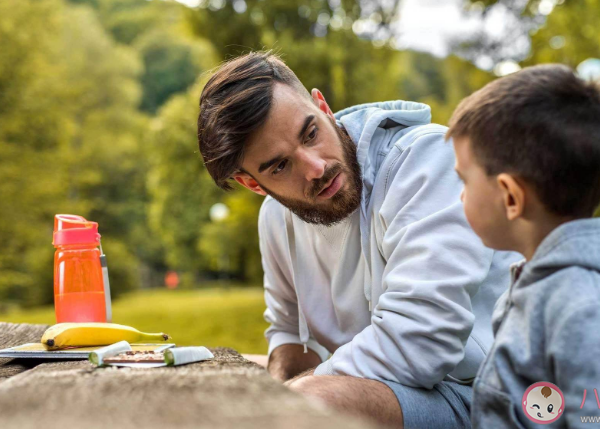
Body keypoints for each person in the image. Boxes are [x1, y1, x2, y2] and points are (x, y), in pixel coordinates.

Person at [197, 51, 519, 429]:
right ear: (254, 184)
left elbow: (422, 342)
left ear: (324, 107)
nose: (316, 167)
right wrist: (284, 379)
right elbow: (288, 332)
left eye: (311, 133)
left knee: (309, 402)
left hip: (497, 397)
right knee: (221, 376)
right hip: (400, 391)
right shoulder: (275, 219)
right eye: (281, 166)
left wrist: (291, 396)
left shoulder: (425, 161)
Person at [448, 64, 600, 427]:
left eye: (464, 180)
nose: (460, 196)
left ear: (510, 197)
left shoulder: (592, 314)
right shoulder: (539, 286)